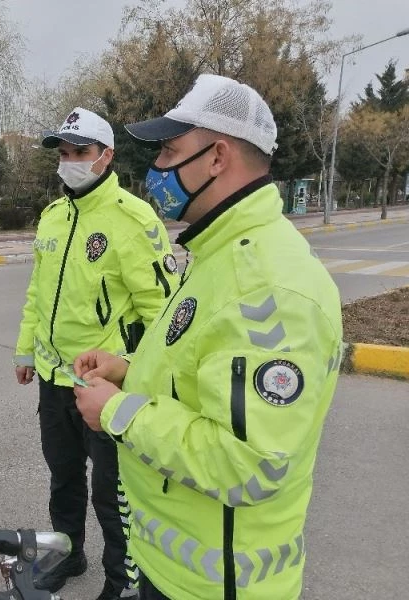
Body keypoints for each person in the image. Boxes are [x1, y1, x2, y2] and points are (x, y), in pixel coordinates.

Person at [73, 74, 343, 600]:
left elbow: (249, 463)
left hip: (217, 584)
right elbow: (200, 374)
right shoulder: (218, 253)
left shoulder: (268, 289)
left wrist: (117, 412)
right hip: (175, 566)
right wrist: (130, 371)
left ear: (218, 157)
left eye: (170, 152)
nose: (156, 169)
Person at [14, 107, 180, 600]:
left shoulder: (133, 219)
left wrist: (133, 371)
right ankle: (68, 554)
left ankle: (121, 579)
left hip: (105, 385)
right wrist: (25, 351)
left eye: (80, 152)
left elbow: (163, 312)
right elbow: (37, 293)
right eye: (63, 153)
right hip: (53, 378)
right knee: (63, 478)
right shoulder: (54, 216)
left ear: (106, 156)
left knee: (113, 492)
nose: (69, 162)